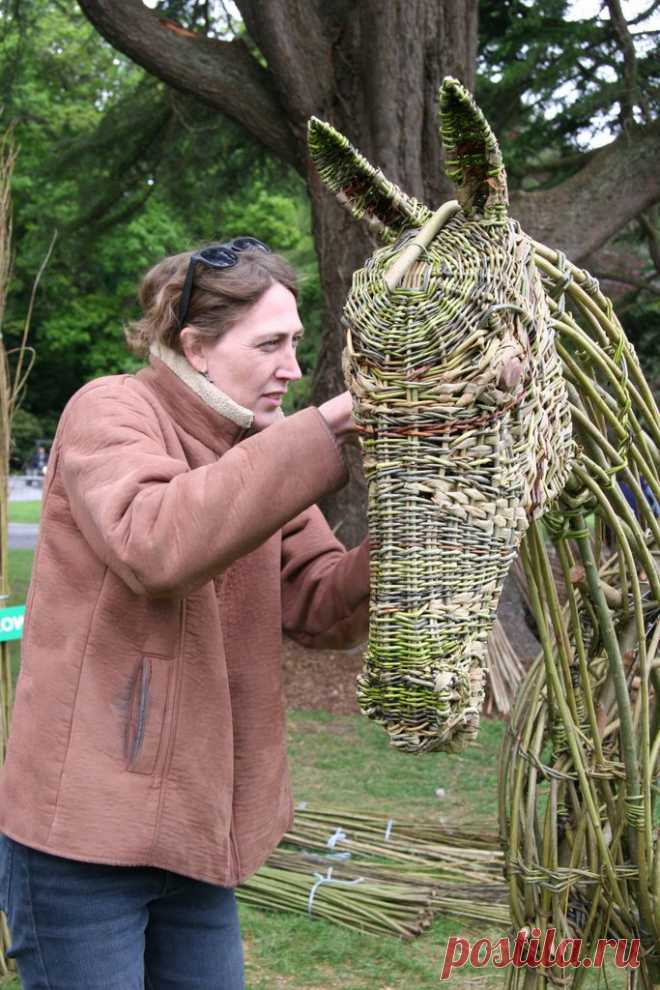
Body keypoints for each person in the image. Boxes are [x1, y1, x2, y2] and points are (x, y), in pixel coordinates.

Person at [0, 238, 370, 989]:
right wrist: (328, 425)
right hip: (83, 843)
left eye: (295, 342)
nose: (292, 368)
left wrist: (421, 529)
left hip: (200, 837)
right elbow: (156, 540)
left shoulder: (263, 450)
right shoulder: (110, 409)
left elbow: (323, 604)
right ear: (196, 348)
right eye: (270, 344)